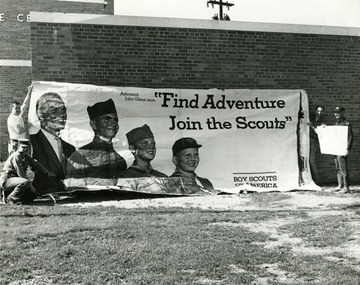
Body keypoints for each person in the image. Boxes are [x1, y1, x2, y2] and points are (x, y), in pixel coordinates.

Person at [66, 99, 127, 185]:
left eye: (115, 120)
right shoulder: (80, 157)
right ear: (93, 124)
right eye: (107, 119)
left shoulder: (120, 161)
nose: (113, 124)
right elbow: (73, 190)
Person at [30, 92, 75, 193]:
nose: (62, 115)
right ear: (40, 114)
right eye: (55, 110)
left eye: (63, 110)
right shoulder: (32, 143)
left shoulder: (70, 148)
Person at [0, 139, 55, 204]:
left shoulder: (25, 156)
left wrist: (47, 172)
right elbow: (21, 174)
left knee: (32, 195)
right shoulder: (16, 157)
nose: (25, 149)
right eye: (23, 147)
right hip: (7, 180)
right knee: (25, 182)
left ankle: (14, 197)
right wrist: (31, 186)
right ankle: (11, 198)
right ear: (18, 147)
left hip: (15, 179)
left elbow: (36, 164)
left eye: (26, 148)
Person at [7, 85, 32, 155]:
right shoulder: (12, 118)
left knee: (23, 162)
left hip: (21, 142)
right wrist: (28, 125)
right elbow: (19, 131)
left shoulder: (18, 115)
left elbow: (25, 104)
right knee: (16, 162)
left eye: (18, 108)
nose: (18, 110)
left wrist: (29, 92)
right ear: (11, 109)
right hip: (16, 143)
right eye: (16, 108)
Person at [333, 106, 353, 193]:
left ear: (343, 112)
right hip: (336, 148)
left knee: (343, 168)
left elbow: (350, 137)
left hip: (342, 148)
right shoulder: (337, 123)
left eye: (339, 112)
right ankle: (340, 185)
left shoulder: (346, 123)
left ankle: (346, 187)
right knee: (338, 167)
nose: (336, 114)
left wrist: (348, 148)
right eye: (335, 112)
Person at [307, 105, 325, 184]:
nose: (319, 113)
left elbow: (319, 134)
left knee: (312, 160)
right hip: (305, 140)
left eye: (321, 111)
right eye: (318, 111)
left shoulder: (322, 123)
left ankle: (315, 180)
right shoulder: (310, 118)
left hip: (313, 142)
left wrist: (312, 127)